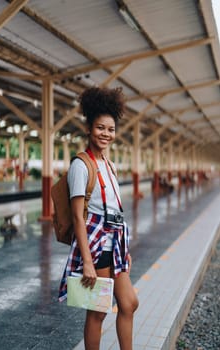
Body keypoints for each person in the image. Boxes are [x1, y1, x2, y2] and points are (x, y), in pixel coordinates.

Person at [59, 86, 139, 350]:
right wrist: (89, 264)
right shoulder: (80, 166)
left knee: (129, 303)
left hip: (114, 246)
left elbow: (115, 209)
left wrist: (123, 249)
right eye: (100, 128)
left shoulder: (109, 164)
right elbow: (78, 218)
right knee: (98, 311)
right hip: (96, 248)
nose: (106, 133)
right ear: (89, 129)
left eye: (111, 129)